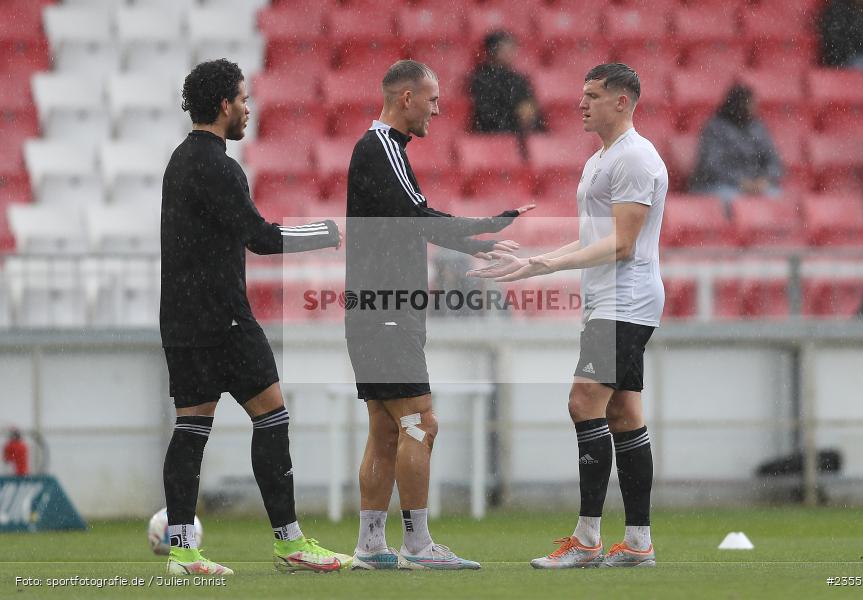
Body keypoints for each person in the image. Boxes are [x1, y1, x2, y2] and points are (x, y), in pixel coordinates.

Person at [469, 63, 666, 568]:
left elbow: (622, 243)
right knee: (623, 413)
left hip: (624, 300)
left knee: (583, 402)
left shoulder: (635, 158)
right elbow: (593, 237)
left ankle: (586, 540)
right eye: (583, 94)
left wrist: (545, 265)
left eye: (593, 95)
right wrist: (532, 263)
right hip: (610, 299)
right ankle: (638, 543)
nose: (581, 103)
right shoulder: (601, 159)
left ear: (622, 101)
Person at [345, 59, 534, 570]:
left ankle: (370, 545)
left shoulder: (381, 150)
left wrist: (478, 241)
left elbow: (413, 222)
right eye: (431, 99)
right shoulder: (381, 147)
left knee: (386, 429)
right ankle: (418, 545)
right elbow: (419, 218)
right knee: (420, 423)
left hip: (374, 309)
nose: (438, 109)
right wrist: (487, 227)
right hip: (386, 309)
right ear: (405, 98)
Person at [160, 59, 346, 576]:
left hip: (181, 319)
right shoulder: (219, 166)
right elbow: (260, 237)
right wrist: (326, 232)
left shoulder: (180, 160)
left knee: (191, 428)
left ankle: (181, 549)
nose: (248, 108)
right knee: (272, 416)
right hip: (224, 319)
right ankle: (289, 542)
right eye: (243, 99)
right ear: (224, 105)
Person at [689, 84, 782, 213]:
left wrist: (764, 179)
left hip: (754, 186)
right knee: (732, 203)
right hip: (720, 185)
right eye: (749, 104)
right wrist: (741, 181)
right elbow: (712, 166)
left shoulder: (757, 128)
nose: (754, 108)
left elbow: (774, 161)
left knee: (776, 199)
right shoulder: (715, 128)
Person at [469, 30, 545, 135]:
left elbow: (530, 109)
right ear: (493, 50)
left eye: (512, 48)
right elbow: (487, 115)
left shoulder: (519, 79)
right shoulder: (480, 79)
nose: (511, 53)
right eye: (505, 48)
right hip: (494, 133)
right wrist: (516, 117)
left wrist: (527, 115)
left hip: (522, 132)